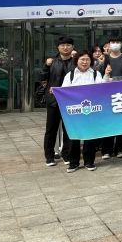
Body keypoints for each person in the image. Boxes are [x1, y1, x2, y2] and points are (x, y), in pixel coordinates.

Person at [62, 50, 104, 172]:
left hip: (91, 110)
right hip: (74, 112)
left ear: (91, 61)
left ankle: (89, 161)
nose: (85, 62)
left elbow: (100, 89)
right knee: (73, 137)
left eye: (87, 60)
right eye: (82, 59)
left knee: (90, 136)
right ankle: (73, 162)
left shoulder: (96, 74)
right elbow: (64, 92)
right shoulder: (70, 75)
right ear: (77, 61)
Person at [96, 36, 122, 159]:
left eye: (117, 42)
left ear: (121, 44)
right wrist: (100, 63)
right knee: (107, 122)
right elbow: (96, 74)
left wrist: (114, 79)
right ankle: (106, 150)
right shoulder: (105, 58)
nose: (115, 44)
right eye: (113, 42)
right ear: (108, 44)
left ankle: (120, 148)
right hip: (106, 95)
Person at [40, 36, 75, 166]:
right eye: (63, 45)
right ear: (58, 47)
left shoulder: (76, 62)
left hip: (70, 101)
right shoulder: (52, 62)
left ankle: (67, 154)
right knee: (51, 129)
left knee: (69, 129)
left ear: (72, 47)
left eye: (68, 45)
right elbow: (42, 77)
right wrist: (46, 66)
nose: (65, 47)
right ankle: (49, 156)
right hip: (54, 101)